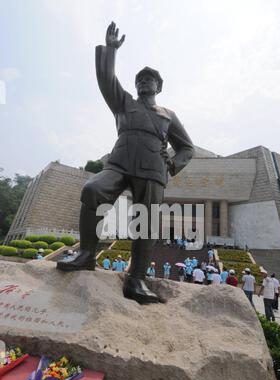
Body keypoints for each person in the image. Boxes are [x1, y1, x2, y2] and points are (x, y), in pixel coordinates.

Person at [56, 21, 194, 305]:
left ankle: (137, 279)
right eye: (140, 79)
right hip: (119, 163)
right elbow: (106, 78)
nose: (144, 82)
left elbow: (187, 148)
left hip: (152, 169)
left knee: (145, 222)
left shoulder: (168, 115)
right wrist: (110, 49)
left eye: (150, 79)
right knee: (93, 189)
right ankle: (86, 255)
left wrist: (172, 164)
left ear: (159, 85)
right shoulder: (124, 103)